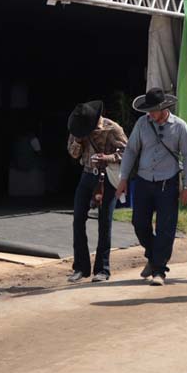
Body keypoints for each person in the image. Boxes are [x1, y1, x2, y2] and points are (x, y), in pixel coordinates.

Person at [116, 88, 187, 286]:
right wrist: (123, 178)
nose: (149, 113)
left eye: (153, 110)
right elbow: (131, 151)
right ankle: (153, 256)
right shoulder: (142, 124)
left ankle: (159, 270)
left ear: (163, 108)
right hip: (144, 180)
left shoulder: (179, 126)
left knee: (165, 228)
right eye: (148, 110)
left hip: (168, 182)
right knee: (139, 223)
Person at [67, 100, 128, 283]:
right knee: (78, 219)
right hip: (87, 174)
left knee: (105, 222)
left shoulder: (112, 129)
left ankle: (102, 268)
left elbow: (127, 152)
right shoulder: (78, 128)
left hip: (105, 177)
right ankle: (80, 267)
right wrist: (79, 140)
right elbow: (73, 153)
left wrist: (108, 157)